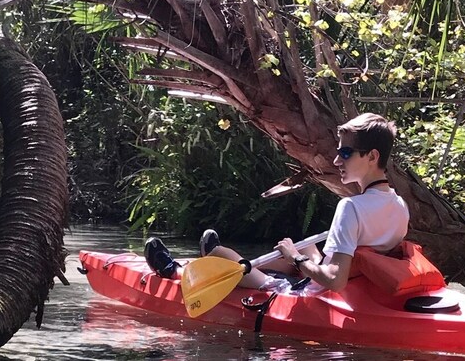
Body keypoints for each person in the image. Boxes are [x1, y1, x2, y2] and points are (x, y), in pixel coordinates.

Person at [144, 112, 409, 294]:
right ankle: (210, 261)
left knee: (224, 257)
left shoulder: (350, 207)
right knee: (303, 250)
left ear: (372, 156)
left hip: (311, 293)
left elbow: (335, 281)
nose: (337, 161)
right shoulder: (400, 206)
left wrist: (296, 257)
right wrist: (302, 256)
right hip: (356, 284)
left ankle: (176, 271)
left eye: (345, 153)